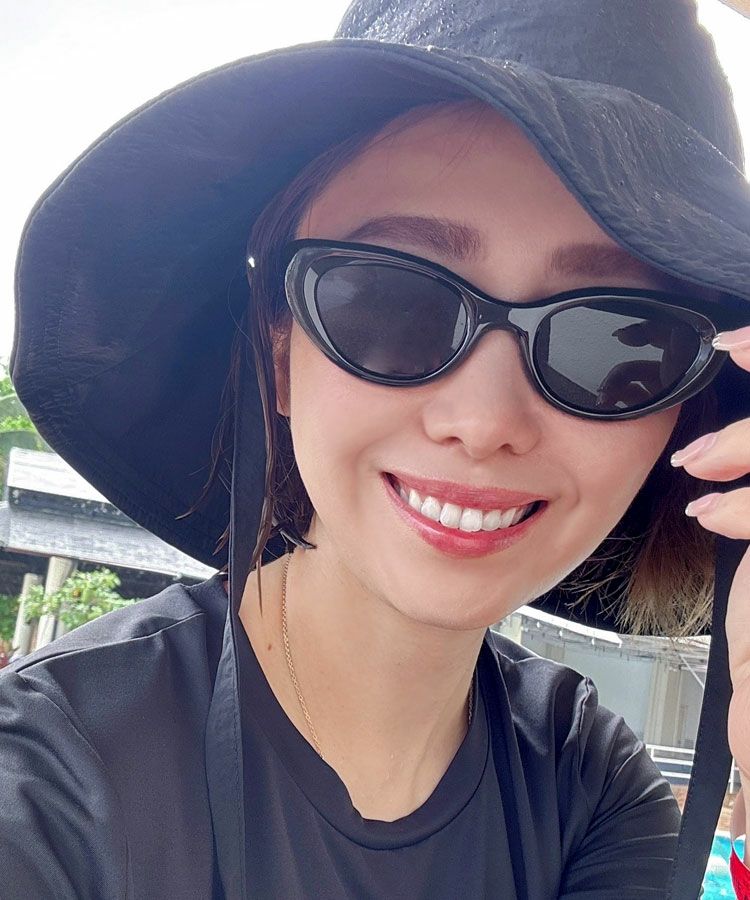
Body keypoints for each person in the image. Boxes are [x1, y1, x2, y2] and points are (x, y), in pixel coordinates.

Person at [3, 0, 750, 897]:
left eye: (615, 340)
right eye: (391, 302)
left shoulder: (589, 782)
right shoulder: (49, 786)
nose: (484, 420)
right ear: (279, 352)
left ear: (685, 412)